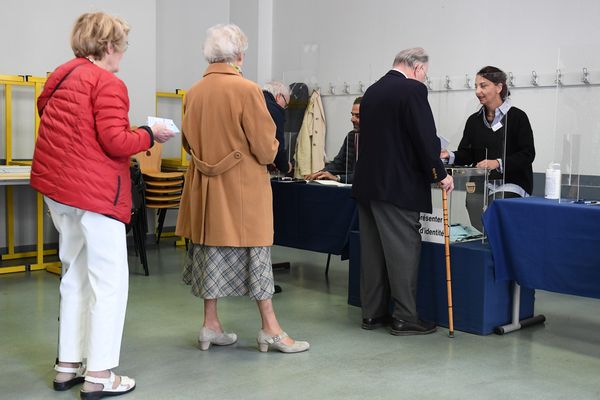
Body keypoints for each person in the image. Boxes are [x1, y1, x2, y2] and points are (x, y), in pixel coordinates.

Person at [30, 12, 175, 399]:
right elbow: (114, 142)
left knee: (74, 273)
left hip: (58, 190)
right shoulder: (108, 84)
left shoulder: (60, 76)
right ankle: (99, 375)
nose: (123, 54)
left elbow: (55, 120)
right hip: (94, 195)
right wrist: (149, 134)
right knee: (110, 283)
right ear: (109, 46)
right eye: (122, 45)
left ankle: (67, 366)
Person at [175, 24, 309, 354]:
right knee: (256, 256)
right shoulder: (247, 90)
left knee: (210, 253)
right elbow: (266, 150)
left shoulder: (193, 92)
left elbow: (187, 144)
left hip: (206, 192)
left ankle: (211, 324)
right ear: (239, 55)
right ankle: (271, 329)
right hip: (241, 190)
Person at [352, 47, 454, 336]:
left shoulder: (372, 91)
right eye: (425, 74)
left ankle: (372, 314)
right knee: (403, 252)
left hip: (368, 184)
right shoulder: (412, 90)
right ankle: (406, 317)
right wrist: (440, 173)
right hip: (397, 187)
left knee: (372, 254)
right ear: (418, 69)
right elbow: (424, 138)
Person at [441, 66, 535, 232]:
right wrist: (449, 155)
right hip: (481, 185)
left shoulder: (517, 117)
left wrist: (497, 163)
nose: (478, 91)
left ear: (499, 87)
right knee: (475, 209)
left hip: (511, 184)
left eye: (483, 86)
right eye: (476, 86)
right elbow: (467, 153)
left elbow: (527, 154)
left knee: (496, 207)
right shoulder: (473, 121)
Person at [306, 97, 361, 183]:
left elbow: (368, 174)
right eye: (352, 115)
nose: (352, 119)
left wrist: (337, 178)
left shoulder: (379, 140)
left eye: (357, 116)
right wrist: (320, 174)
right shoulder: (351, 136)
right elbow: (338, 163)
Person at [263, 80, 292, 175]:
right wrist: (285, 166)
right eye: (286, 104)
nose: (284, 108)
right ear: (279, 96)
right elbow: (277, 142)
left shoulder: (254, 101)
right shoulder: (275, 109)